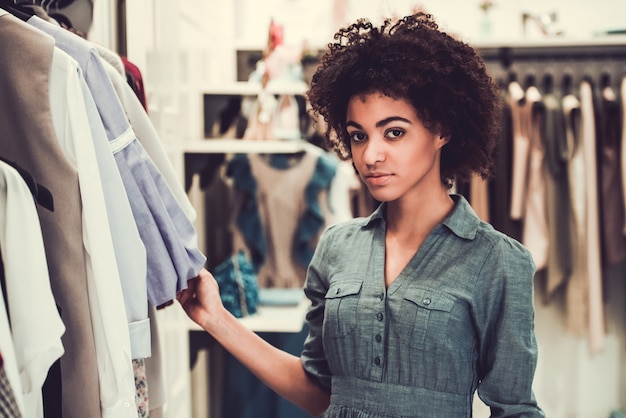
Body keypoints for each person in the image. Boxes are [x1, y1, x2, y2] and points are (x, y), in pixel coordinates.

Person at [177, 12, 545, 418]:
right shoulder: (337, 248)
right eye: (358, 136)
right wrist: (215, 318)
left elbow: (516, 411)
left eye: (394, 132)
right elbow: (318, 392)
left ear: (442, 129)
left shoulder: (496, 262)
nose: (370, 155)